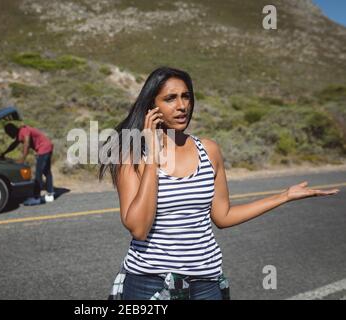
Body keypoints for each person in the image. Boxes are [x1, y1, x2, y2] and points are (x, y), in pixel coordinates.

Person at [99, 67, 340, 300]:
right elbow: (138, 228)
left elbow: (223, 216)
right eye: (170, 98)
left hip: (207, 282)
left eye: (186, 97)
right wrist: (152, 156)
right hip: (150, 282)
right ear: (152, 106)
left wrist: (284, 196)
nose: (182, 106)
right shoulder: (130, 154)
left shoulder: (209, 150)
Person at [2, 123, 54, 205]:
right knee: (46, 171)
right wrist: (4, 153)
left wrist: (22, 159)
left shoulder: (24, 130)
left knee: (38, 173)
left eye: (9, 132)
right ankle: (50, 194)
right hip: (48, 146)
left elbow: (27, 144)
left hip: (44, 148)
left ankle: (36, 198)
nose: (9, 135)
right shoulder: (19, 134)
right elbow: (13, 145)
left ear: (12, 130)